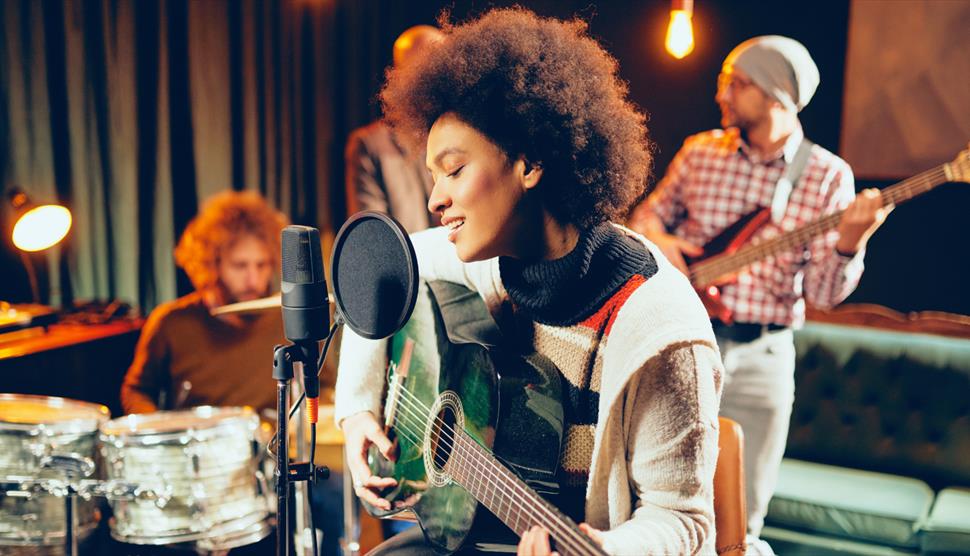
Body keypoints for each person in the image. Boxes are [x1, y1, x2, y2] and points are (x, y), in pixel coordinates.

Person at [335, 8, 723, 555]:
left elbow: (682, 521)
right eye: (432, 176)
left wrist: (606, 548)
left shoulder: (660, 329)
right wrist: (359, 414)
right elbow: (380, 272)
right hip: (487, 532)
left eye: (454, 169)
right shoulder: (491, 260)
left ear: (530, 162)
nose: (433, 199)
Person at [628, 35, 889, 539]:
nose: (721, 93)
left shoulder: (828, 175)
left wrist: (848, 245)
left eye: (737, 83)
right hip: (686, 342)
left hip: (764, 357)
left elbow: (823, 293)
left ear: (776, 95)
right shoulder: (700, 152)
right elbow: (644, 220)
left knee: (742, 519)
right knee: (657, 498)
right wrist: (664, 242)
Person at [121, 190, 287, 414]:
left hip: (273, 444)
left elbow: (324, 387)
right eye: (240, 265)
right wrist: (164, 431)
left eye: (262, 265)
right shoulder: (170, 323)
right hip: (197, 443)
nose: (253, 280)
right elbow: (136, 392)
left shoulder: (288, 318)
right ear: (211, 263)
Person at [345, 24, 444, 234]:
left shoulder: (464, 135)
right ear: (401, 77)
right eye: (424, 70)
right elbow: (373, 235)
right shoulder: (370, 145)